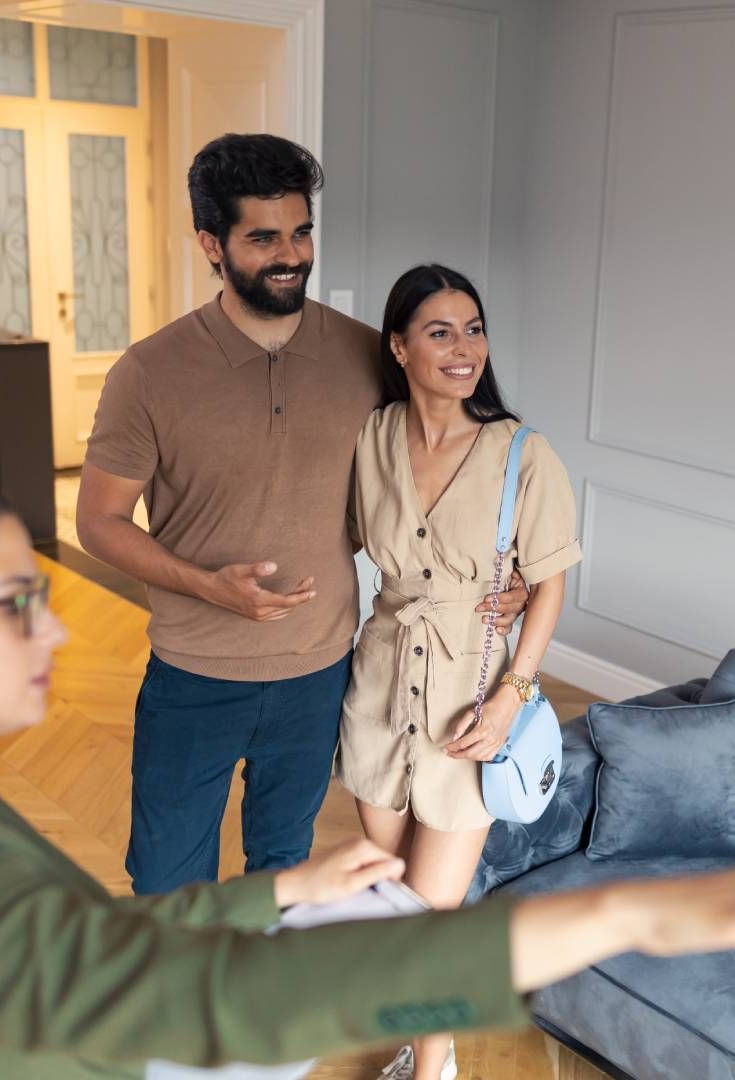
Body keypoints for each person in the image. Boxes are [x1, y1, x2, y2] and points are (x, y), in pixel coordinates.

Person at [0, 447, 735, 1079]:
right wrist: (635, 912)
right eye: (18, 600)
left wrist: (279, 889)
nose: (59, 623)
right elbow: (229, 1003)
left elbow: (88, 952)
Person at [75, 133, 528, 895]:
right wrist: (208, 586)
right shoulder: (148, 373)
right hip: (194, 676)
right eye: (263, 238)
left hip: (320, 674)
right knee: (165, 874)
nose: (289, 254)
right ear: (210, 245)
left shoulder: (366, 358)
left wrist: (497, 578)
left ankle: (263, 1005)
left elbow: (439, 480)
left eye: (301, 231)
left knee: (283, 867)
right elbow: (99, 523)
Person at [336, 265, 576, 1080]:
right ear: (399, 346)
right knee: (395, 898)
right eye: (440, 332)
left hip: (469, 708)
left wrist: (514, 696)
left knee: (433, 914)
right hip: (377, 690)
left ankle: (435, 1063)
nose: (464, 348)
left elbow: (550, 584)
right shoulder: (370, 438)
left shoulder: (522, 453)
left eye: (474, 329)